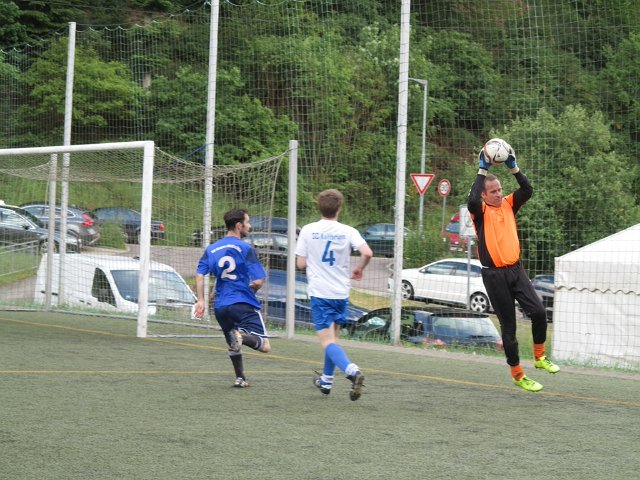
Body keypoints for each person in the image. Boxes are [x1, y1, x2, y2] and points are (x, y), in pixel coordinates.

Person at [467, 145, 559, 392]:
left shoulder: (508, 204)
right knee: (510, 328)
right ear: (485, 195)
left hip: (516, 271)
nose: (498, 194)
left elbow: (527, 190)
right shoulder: (480, 212)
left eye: (500, 190)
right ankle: (518, 375)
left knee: (538, 312)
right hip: (494, 276)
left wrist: (514, 168)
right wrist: (482, 170)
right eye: (493, 191)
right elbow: (471, 200)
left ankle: (539, 357)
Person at [295, 189, 373, 401]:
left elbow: (300, 263)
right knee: (334, 339)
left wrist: (313, 260)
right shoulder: (348, 231)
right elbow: (367, 253)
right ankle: (326, 381)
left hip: (321, 293)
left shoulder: (309, 230)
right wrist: (359, 268)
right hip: (340, 293)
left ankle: (353, 371)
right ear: (339, 208)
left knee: (326, 341)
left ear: (319, 207)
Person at [193, 208, 271, 388]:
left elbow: (199, 274)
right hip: (241, 302)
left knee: (232, 342)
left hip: (220, 306)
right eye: (247, 222)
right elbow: (258, 281)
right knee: (265, 345)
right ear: (238, 225)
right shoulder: (245, 248)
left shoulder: (211, 249)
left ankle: (240, 378)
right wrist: (249, 291)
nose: (249, 226)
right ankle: (242, 337)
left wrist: (201, 300)